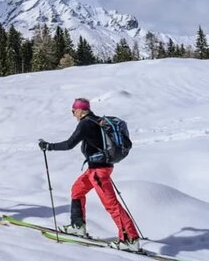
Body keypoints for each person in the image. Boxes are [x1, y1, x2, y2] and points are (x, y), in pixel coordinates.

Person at [38, 98, 141, 251]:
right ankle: (77, 226)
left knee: (111, 204)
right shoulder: (96, 121)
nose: (73, 114)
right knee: (77, 190)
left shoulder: (86, 123)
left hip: (99, 171)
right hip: (95, 169)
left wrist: (48, 146)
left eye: (73, 111)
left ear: (80, 110)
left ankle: (130, 240)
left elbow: (69, 144)